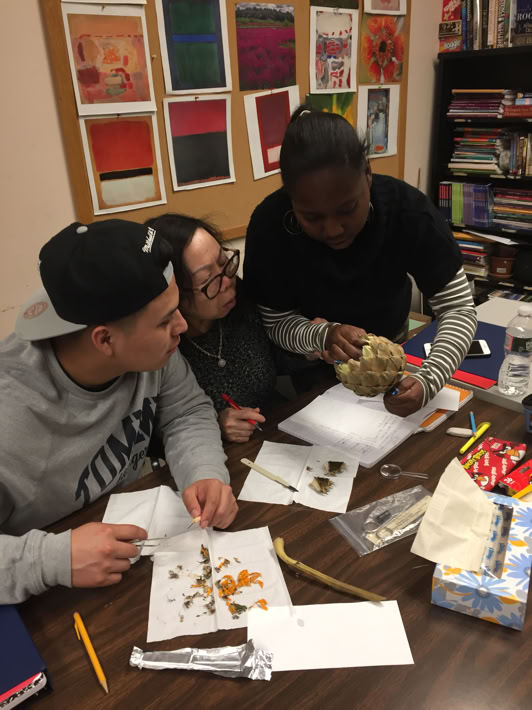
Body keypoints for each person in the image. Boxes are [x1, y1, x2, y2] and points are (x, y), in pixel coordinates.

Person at [0, 219, 237, 604]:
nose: (181, 326)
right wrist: (53, 559)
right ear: (105, 339)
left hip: (129, 561)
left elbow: (186, 411)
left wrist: (204, 471)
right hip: (46, 598)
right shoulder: (9, 415)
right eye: (166, 320)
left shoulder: (154, 351)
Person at [243, 106, 477, 417]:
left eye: (347, 209)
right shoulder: (270, 225)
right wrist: (324, 336)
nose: (332, 230)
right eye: (311, 217)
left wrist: (429, 378)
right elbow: (275, 322)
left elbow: (458, 309)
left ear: (367, 173)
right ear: (290, 196)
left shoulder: (408, 212)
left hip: (390, 347)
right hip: (311, 360)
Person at [145, 213, 277, 443]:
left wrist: (310, 343)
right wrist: (214, 424)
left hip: (275, 431)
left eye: (224, 262)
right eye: (208, 279)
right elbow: (154, 435)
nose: (228, 281)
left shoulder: (241, 300)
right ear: (175, 292)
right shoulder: (163, 347)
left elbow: (280, 359)